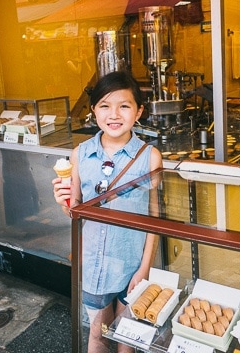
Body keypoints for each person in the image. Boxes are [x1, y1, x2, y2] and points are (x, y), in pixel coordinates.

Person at [52, 71, 162, 352]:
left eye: (124, 106)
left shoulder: (149, 157)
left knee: (127, 338)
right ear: (93, 111)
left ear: (138, 112)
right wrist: (64, 201)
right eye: (104, 105)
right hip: (92, 266)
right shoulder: (80, 153)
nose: (114, 114)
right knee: (99, 336)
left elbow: (153, 218)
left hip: (130, 265)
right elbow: (75, 210)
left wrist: (144, 268)